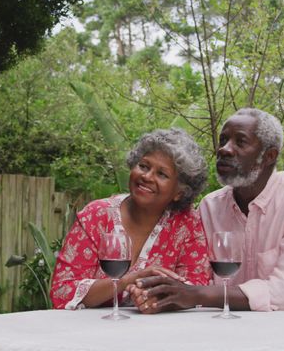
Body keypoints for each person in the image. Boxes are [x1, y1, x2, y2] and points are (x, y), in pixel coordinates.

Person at [128, 108, 284, 315]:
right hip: (235, 335)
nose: (224, 149)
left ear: (269, 156)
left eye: (240, 142)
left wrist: (196, 295)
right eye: (223, 140)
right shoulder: (210, 207)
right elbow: (200, 276)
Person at [50, 128, 211, 309]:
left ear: (179, 192)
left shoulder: (187, 223)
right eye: (143, 166)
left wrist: (156, 301)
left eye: (162, 174)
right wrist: (128, 280)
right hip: (89, 331)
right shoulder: (96, 215)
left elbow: (196, 289)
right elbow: (63, 291)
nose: (147, 176)